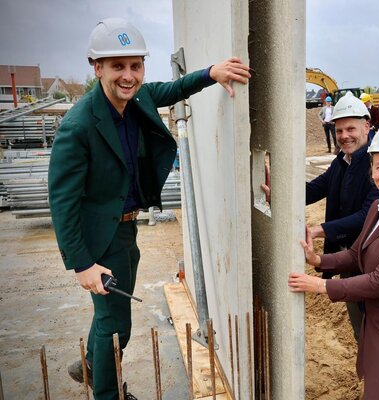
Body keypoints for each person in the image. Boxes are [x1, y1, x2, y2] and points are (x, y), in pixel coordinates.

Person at [48, 17, 250, 399]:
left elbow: (172, 89)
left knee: (108, 317)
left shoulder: (137, 99)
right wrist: (82, 264)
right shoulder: (79, 126)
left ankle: (91, 366)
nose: (129, 75)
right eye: (117, 66)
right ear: (97, 67)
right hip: (99, 239)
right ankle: (107, 393)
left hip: (126, 229)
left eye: (135, 65)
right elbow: (62, 201)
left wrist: (211, 72)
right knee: (115, 326)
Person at [289, 121, 379, 399]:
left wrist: (319, 286)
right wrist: (318, 259)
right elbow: (357, 254)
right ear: (371, 170)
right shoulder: (378, 207)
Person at [306, 92, 379, 340]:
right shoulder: (341, 162)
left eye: (350, 129)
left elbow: (365, 216)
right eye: (339, 131)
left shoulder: (376, 164)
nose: (344, 136)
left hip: (372, 261)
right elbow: (314, 189)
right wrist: (277, 191)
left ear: (366, 126)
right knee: (361, 327)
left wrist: (319, 230)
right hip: (349, 258)